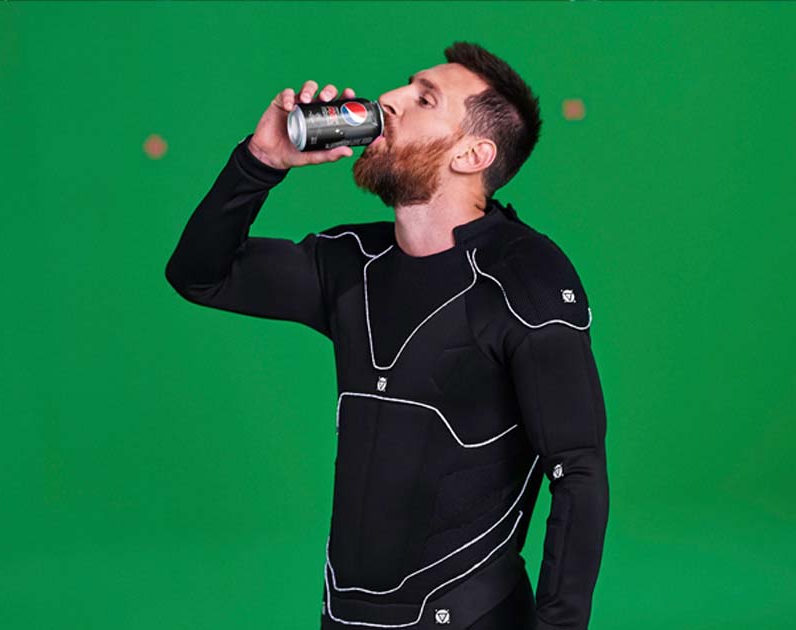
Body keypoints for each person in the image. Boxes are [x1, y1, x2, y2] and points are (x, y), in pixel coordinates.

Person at [165, 42, 608, 630]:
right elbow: (199, 275)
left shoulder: (527, 278)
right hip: (346, 618)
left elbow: (578, 472)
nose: (390, 99)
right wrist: (260, 160)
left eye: (424, 99)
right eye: (405, 86)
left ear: (473, 154)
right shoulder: (352, 261)